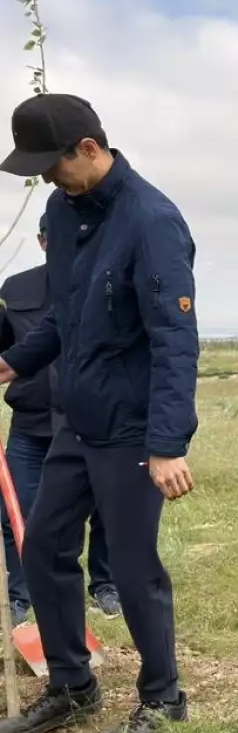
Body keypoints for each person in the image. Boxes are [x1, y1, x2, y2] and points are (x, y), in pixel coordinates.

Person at [0, 93, 199, 733]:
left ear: (88, 148)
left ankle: (163, 699)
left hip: (134, 431)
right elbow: (62, 312)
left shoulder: (152, 222)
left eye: (50, 165)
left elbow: (175, 339)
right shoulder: (63, 209)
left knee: (135, 567)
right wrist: (13, 364)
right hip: (76, 423)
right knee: (44, 544)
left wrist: (169, 444)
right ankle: (71, 685)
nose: (44, 181)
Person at [0, 216, 120, 626]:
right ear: (42, 241)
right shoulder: (14, 291)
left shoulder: (106, 284)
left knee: (106, 508)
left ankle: (105, 585)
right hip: (31, 428)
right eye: (57, 236)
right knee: (20, 511)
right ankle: (22, 594)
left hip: (91, 423)